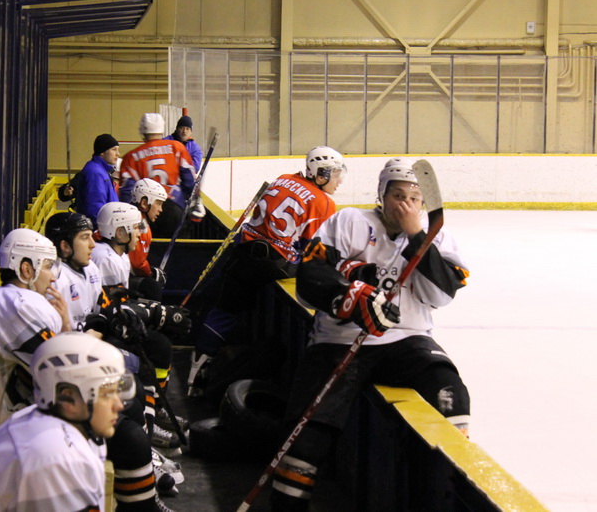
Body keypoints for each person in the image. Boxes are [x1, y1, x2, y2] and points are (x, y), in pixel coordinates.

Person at [270, 158, 470, 510]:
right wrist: (349, 299)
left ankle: (441, 494)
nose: (406, 204)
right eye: (397, 195)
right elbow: (310, 279)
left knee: (450, 394)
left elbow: (440, 295)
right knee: (307, 441)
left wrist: (417, 237)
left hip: (408, 342)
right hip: (338, 342)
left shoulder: (437, 237)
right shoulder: (349, 221)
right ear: (382, 194)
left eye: (414, 197)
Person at [45, 212, 188, 507]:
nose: (92, 244)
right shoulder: (56, 281)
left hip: (88, 345)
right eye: (84, 238)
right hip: (76, 360)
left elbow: (104, 308)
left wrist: (125, 317)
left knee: (149, 355)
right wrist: (108, 326)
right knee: (134, 379)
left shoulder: (89, 269)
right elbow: (65, 342)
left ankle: (146, 441)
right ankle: (143, 451)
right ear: (64, 246)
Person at [187, 146, 346, 397]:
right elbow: (311, 247)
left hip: (245, 250)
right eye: (335, 174)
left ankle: (197, 366)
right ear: (321, 174)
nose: (339, 181)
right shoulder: (323, 202)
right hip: (275, 262)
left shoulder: (283, 179)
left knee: (225, 310)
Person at [0, 332, 134, 511]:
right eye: (107, 394)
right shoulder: (54, 455)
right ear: (68, 397)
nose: (118, 405)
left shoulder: (46, 426)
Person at [91, 202, 190, 455]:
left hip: (108, 324)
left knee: (159, 344)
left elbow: (120, 301)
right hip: (101, 333)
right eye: (134, 228)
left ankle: (156, 407)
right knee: (153, 351)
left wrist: (152, 311)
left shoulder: (118, 255)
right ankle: (148, 422)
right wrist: (154, 313)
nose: (139, 233)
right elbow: (109, 307)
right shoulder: (104, 258)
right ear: (119, 232)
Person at [0, 228, 71, 431]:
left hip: (24, 415)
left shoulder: (10, 300)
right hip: (17, 424)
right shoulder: (16, 307)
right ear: (26, 269)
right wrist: (67, 329)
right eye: (48, 266)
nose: (53, 277)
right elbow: (62, 371)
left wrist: (66, 325)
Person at [119, 113, 196, 238]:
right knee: (179, 247)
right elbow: (189, 180)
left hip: (146, 210)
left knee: (149, 246)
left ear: (142, 130)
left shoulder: (131, 157)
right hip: (175, 207)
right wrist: (195, 201)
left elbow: (127, 192)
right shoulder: (177, 147)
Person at [128, 178, 168, 301]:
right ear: (144, 203)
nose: (161, 209)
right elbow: (137, 264)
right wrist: (150, 273)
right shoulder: (140, 224)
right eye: (158, 203)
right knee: (151, 288)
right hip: (115, 279)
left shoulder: (137, 220)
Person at [74, 133, 121, 227]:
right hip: (100, 228)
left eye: (118, 150)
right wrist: (106, 228)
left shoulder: (101, 171)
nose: (118, 154)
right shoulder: (95, 173)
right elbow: (95, 208)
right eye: (114, 149)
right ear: (102, 152)